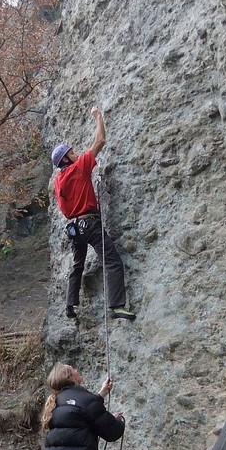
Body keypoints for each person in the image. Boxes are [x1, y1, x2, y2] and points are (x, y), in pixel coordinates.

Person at [51, 106, 136, 321]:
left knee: (77, 265)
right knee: (113, 261)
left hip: (73, 228)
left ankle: (70, 304)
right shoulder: (79, 167)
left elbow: (64, 208)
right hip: (89, 223)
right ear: (66, 159)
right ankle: (117, 306)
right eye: (71, 152)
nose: (75, 152)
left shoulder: (59, 181)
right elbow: (100, 141)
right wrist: (98, 117)